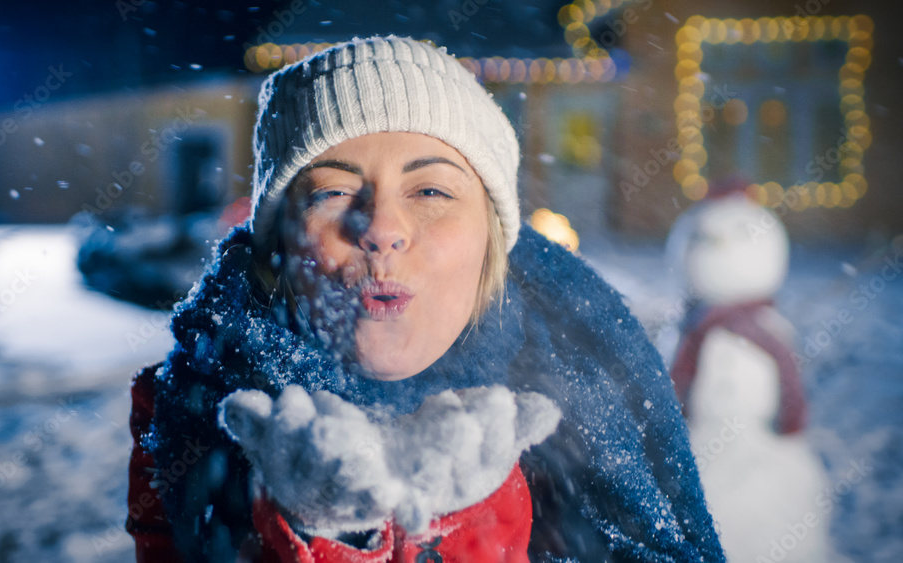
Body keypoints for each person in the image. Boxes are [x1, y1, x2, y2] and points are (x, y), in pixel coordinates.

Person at [127, 35, 725, 563]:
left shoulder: (584, 403)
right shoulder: (192, 412)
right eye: (332, 192)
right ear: (278, 243)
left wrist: (472, 524)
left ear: (492, 241)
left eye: (432, 189)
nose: (382, 227)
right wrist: (323, 533)